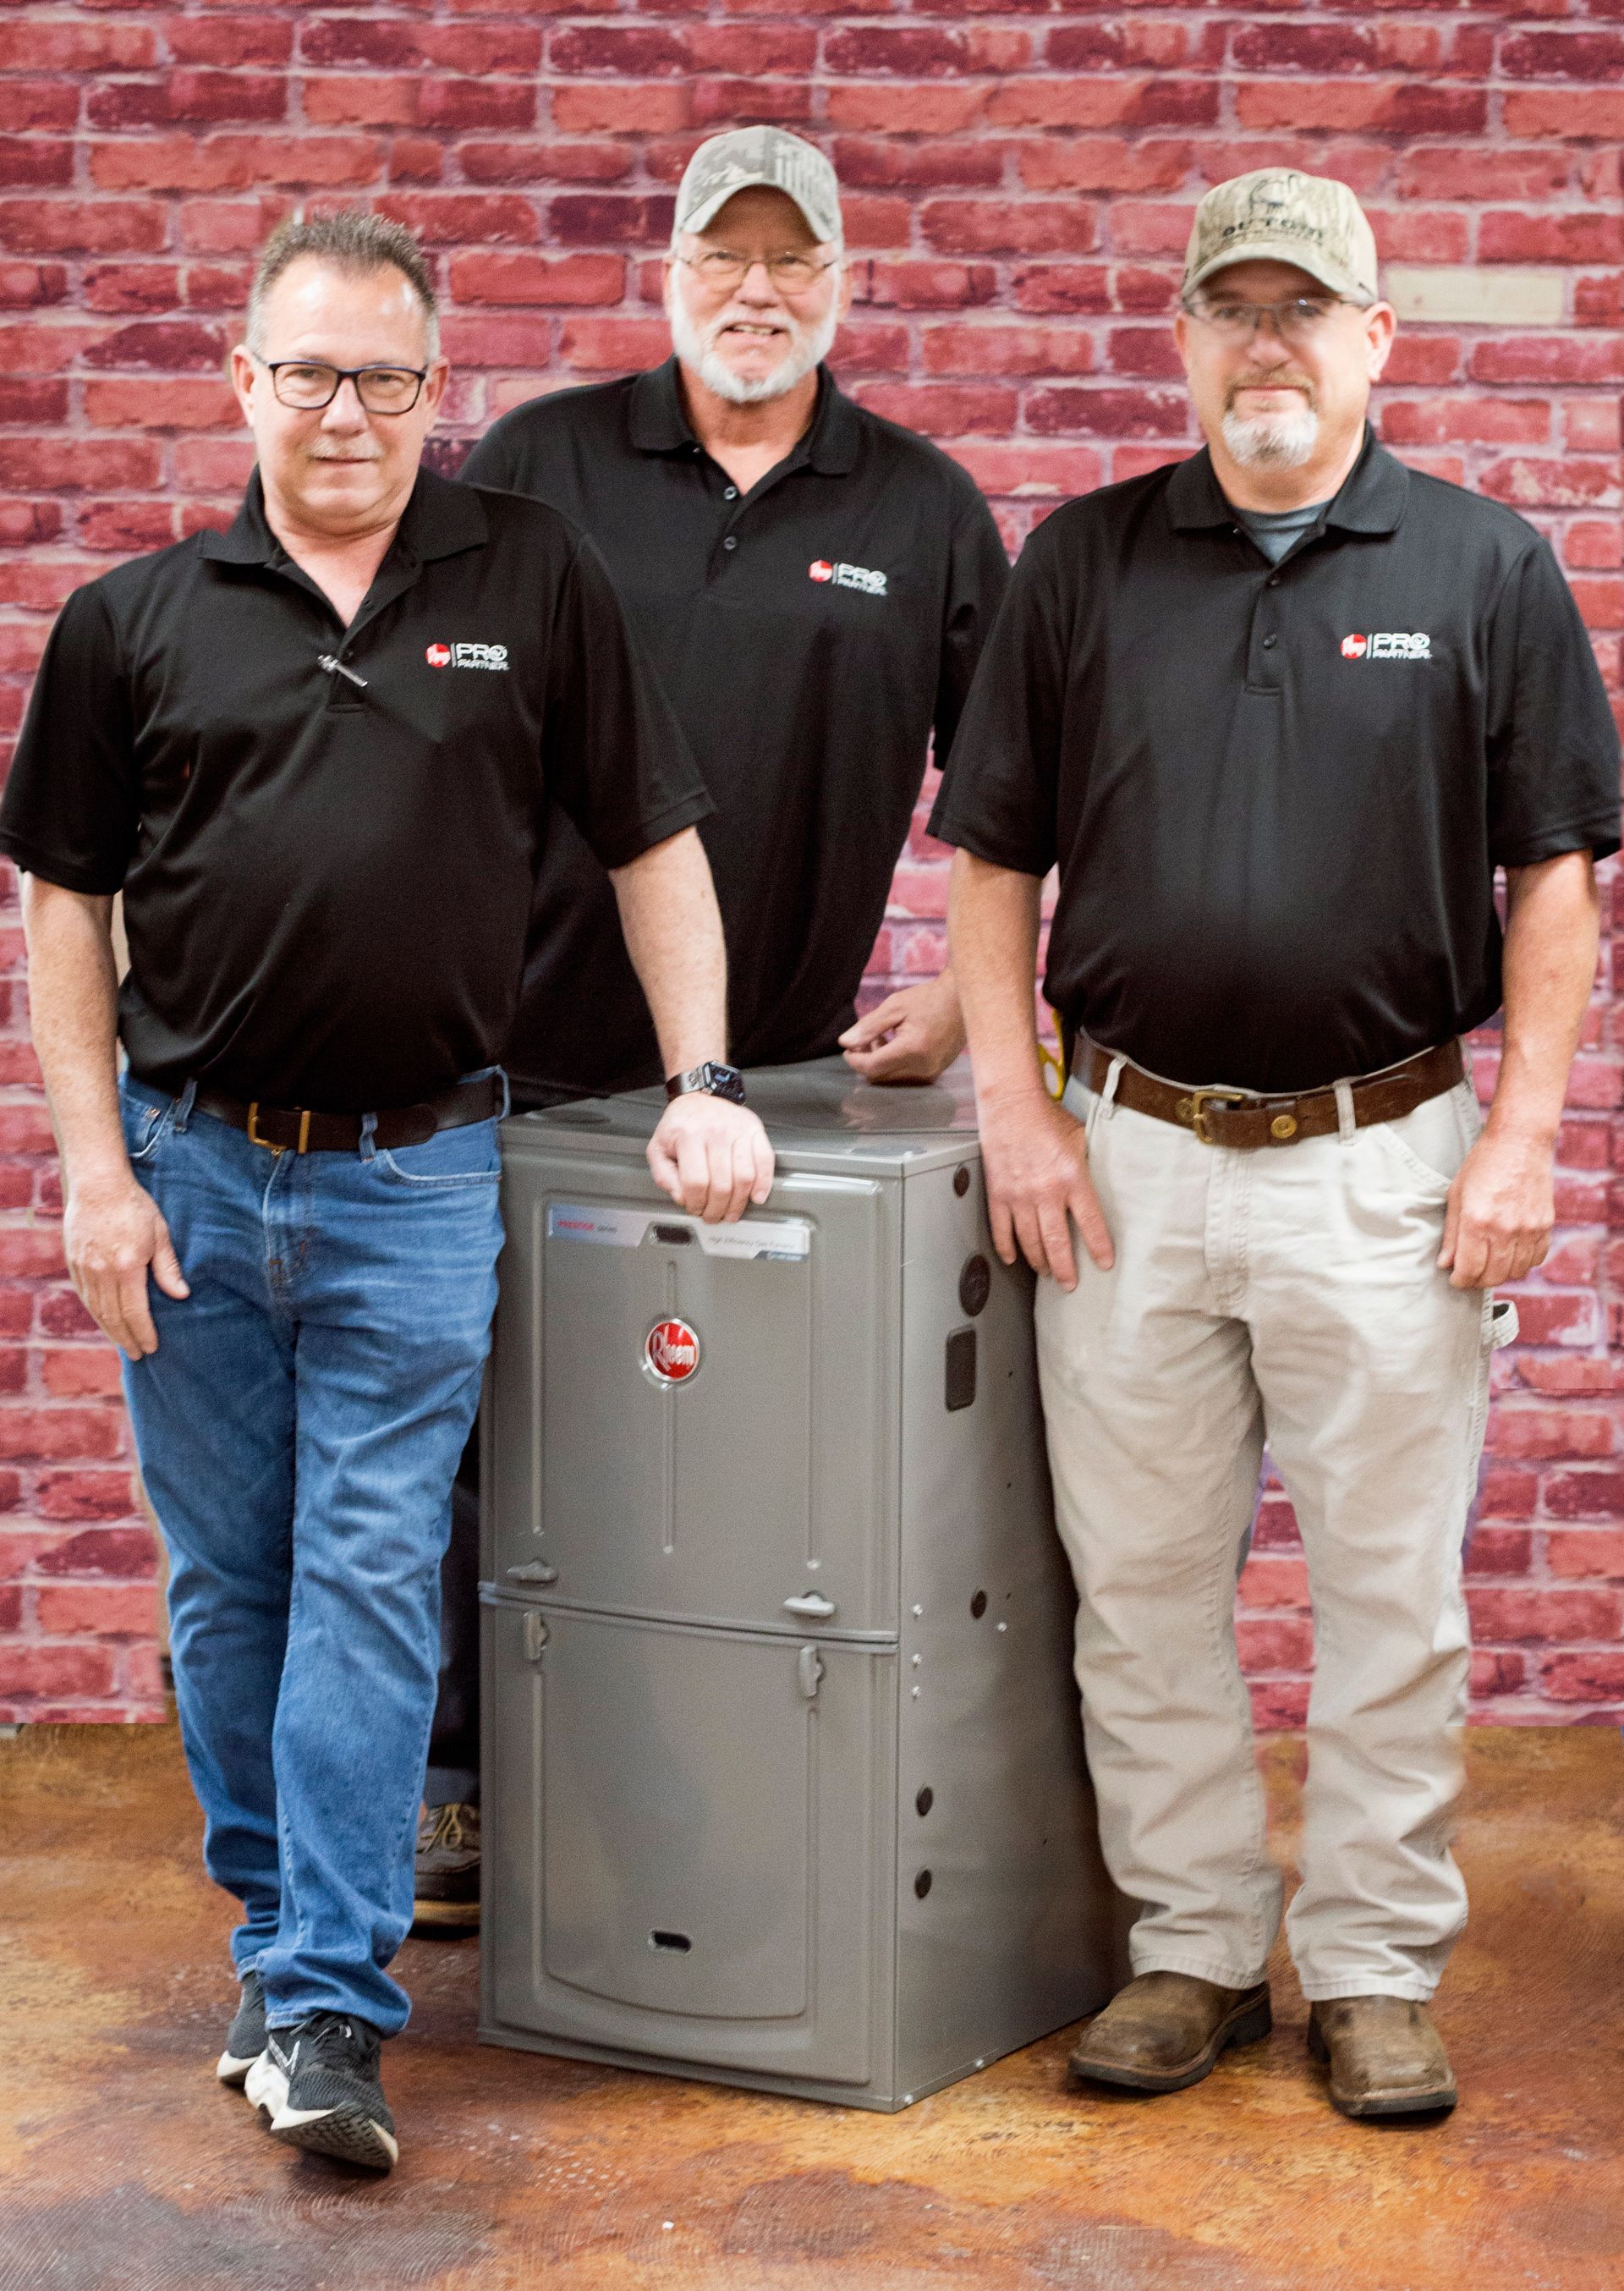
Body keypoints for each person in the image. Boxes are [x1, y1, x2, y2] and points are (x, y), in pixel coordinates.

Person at [3, 209, 773, 2174]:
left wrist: (700, 1076)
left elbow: (653, 836)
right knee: (229, 1586)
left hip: (423, 1175)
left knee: (363, 1571)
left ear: (441, 391)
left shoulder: (530, 572)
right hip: (185, 1165)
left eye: (391, 377)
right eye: (312, 371)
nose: (350, 411)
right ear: (242, 377)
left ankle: (333, 2002)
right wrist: (91, 1173)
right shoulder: (133, 622)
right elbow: (68, 915)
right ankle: (281, 1947)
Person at [934, 168, 1620, 2120]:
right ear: (1180, 339)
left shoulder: (1483, 568)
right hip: (1124, 1160)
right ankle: (1195, 1945)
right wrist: (1017, 1110)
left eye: (1303, 307)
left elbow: (1554, 883)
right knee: (1140, 1582)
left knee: (1391, 1597)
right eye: (1228, 305)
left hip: (1386, 1163)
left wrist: (1525, 1137)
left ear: (1376, 339)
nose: (1266, 341)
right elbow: (997, 864)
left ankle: (1379, 1965)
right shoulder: (1079, 565)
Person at [413, 125, 1011, 1930]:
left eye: (794, 257)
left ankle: (714, 1757)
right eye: (724, 253)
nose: (759, 288)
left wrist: (982, 996)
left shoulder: (922, 510)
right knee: (479, 1430)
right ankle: (460, 1778)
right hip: (510, 1051)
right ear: (667, 268)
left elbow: (1017, 790)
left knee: (712, 1446)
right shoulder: (539, 464)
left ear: (845, 280)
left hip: (772, 1090)